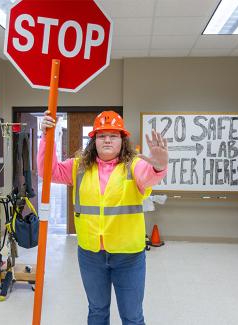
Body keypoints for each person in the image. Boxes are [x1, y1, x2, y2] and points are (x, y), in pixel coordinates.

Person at [38, 110, 168, 325]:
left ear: (122, 140)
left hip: (128, 256)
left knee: (132, 317)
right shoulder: (79, 166)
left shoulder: (134, 165)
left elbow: (150, 175)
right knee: (97, 312)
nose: (107, 139)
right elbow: (47, 171)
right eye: (101, 135)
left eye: (113, 135)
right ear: (94, 140)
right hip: (90, 255)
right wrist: (46, 138)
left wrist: (159, 166)